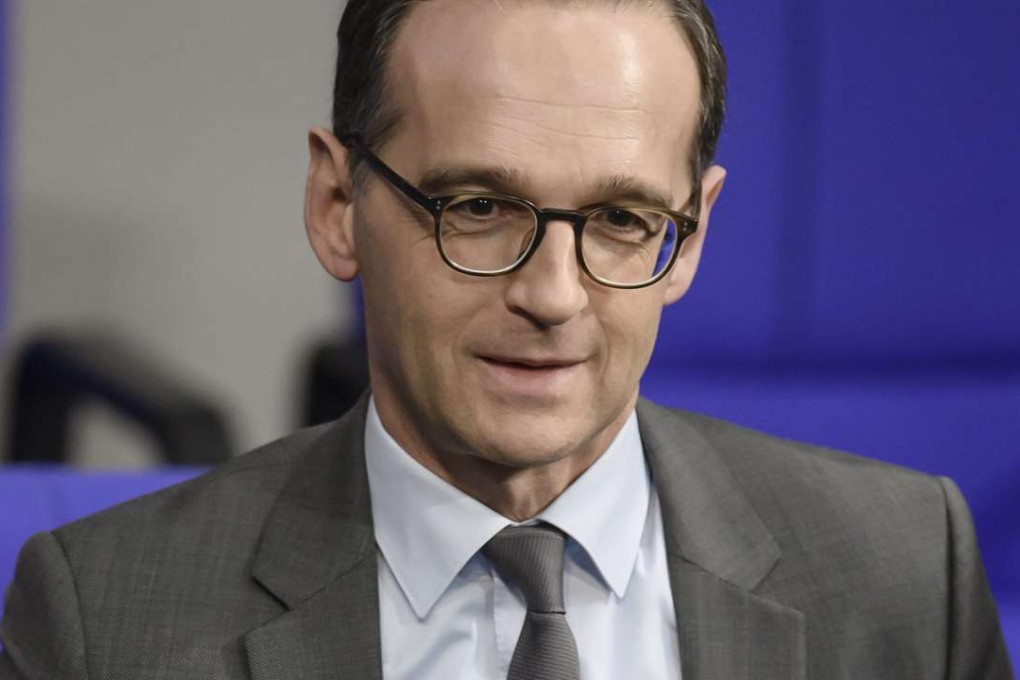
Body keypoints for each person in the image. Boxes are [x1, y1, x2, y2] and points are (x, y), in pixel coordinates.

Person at [0, 0, 1013, 677]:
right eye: (479, 205)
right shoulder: (106, 622)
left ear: (692, 231)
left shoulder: (907, 575)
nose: (554, 294)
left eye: (622, 218)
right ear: (336, 202)